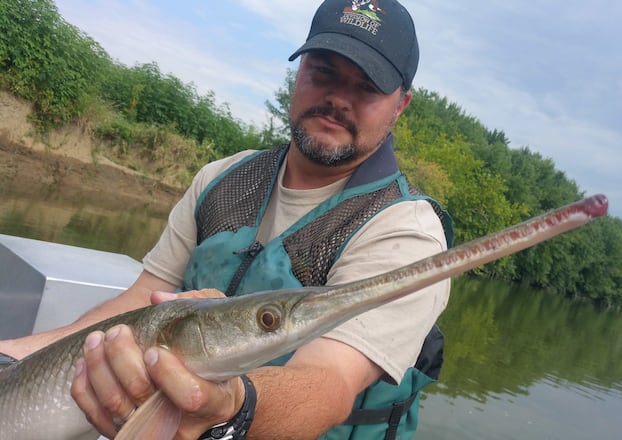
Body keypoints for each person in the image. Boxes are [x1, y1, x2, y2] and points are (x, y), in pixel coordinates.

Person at [0, 0, 453, 438]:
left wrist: (232, 413)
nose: (337, 98)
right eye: (324, 72)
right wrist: (11, 356)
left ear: (400, 106)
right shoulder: (221, 178)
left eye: (367, 87)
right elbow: (138, 304)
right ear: (299, 74)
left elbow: (329, 382)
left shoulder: (408, 233)